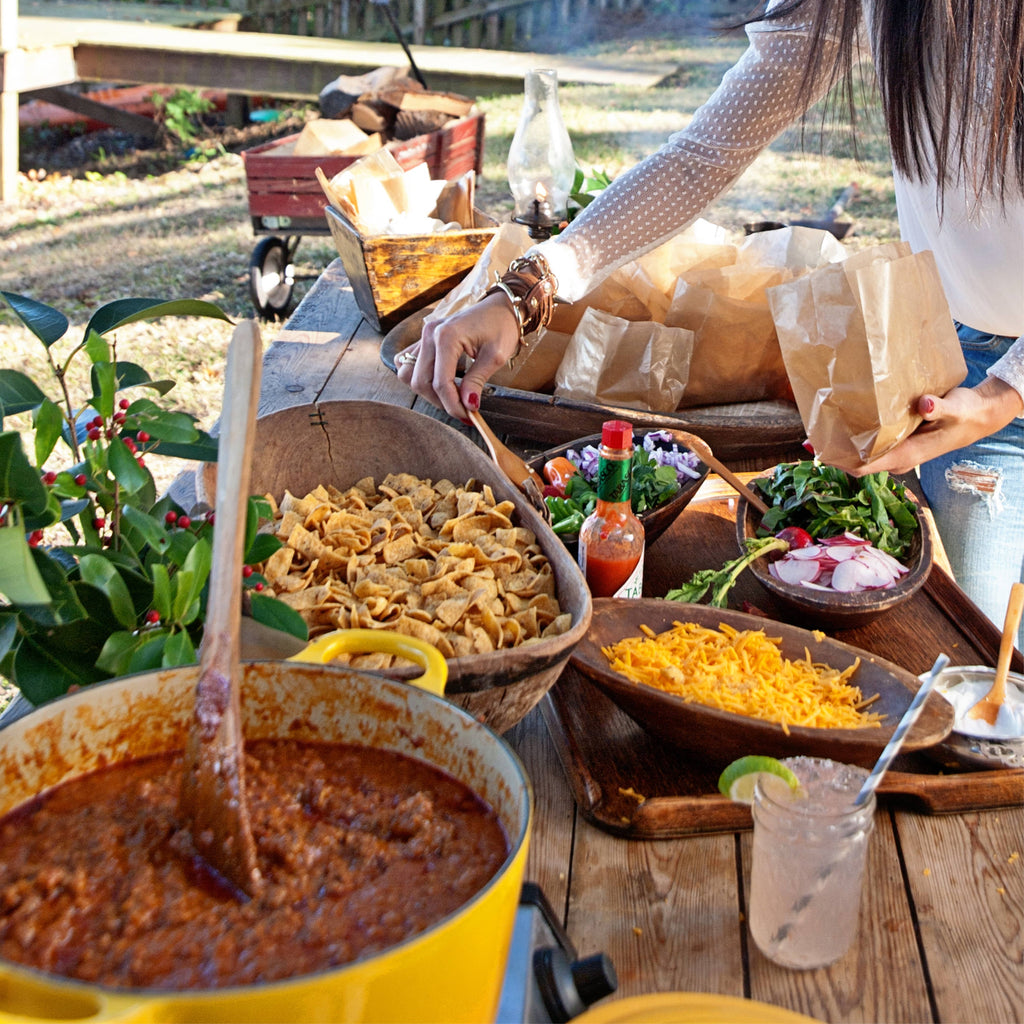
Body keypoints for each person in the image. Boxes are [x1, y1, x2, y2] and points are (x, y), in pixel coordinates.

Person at [397, 0, 1024, 642]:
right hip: (958, 354)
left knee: (992, 683)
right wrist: (527, 289)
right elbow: (701, 156)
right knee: (976, 656)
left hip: (1005, 390)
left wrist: (1003, 397)